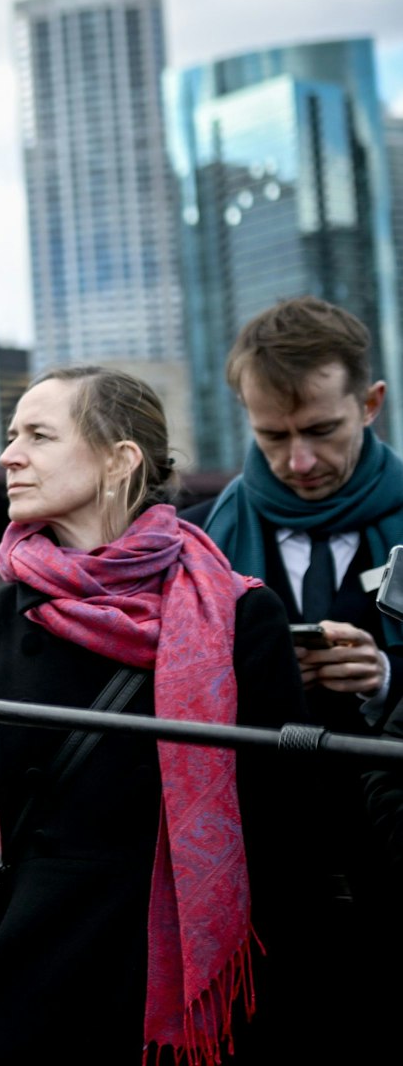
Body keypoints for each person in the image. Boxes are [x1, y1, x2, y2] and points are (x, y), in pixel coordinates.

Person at [0, 366, 309, 1064]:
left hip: (197, 996)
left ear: (119, 460)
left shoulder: (241, 616)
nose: (9, 455)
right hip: (29, 982)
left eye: (37, 435)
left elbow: (287, 827)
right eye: (10, 436)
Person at [180, 296, 403, 1054]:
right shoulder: (206, 538)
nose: (296, 461)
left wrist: (381, 681)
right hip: (263, 873)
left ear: (370, 404)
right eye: (270, 436)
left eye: (320, 430)